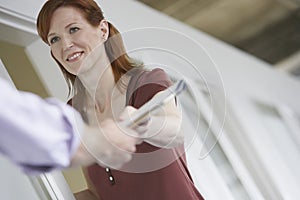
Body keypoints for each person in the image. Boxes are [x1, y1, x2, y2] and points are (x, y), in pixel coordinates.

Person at [37, 0, 204, 199]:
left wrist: (143, 122)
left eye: (73, 29)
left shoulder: (145, 81)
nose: (66, 44)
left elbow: (173, 130)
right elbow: (97, 192)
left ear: (102, 30)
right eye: (54, 39)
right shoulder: (73, 112)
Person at [0, 77, 139, 175]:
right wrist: (91, 142)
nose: (65, 45)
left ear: (104, 33)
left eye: (73, 32)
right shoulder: (75, 107)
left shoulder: (141, 83)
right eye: (54, 39)